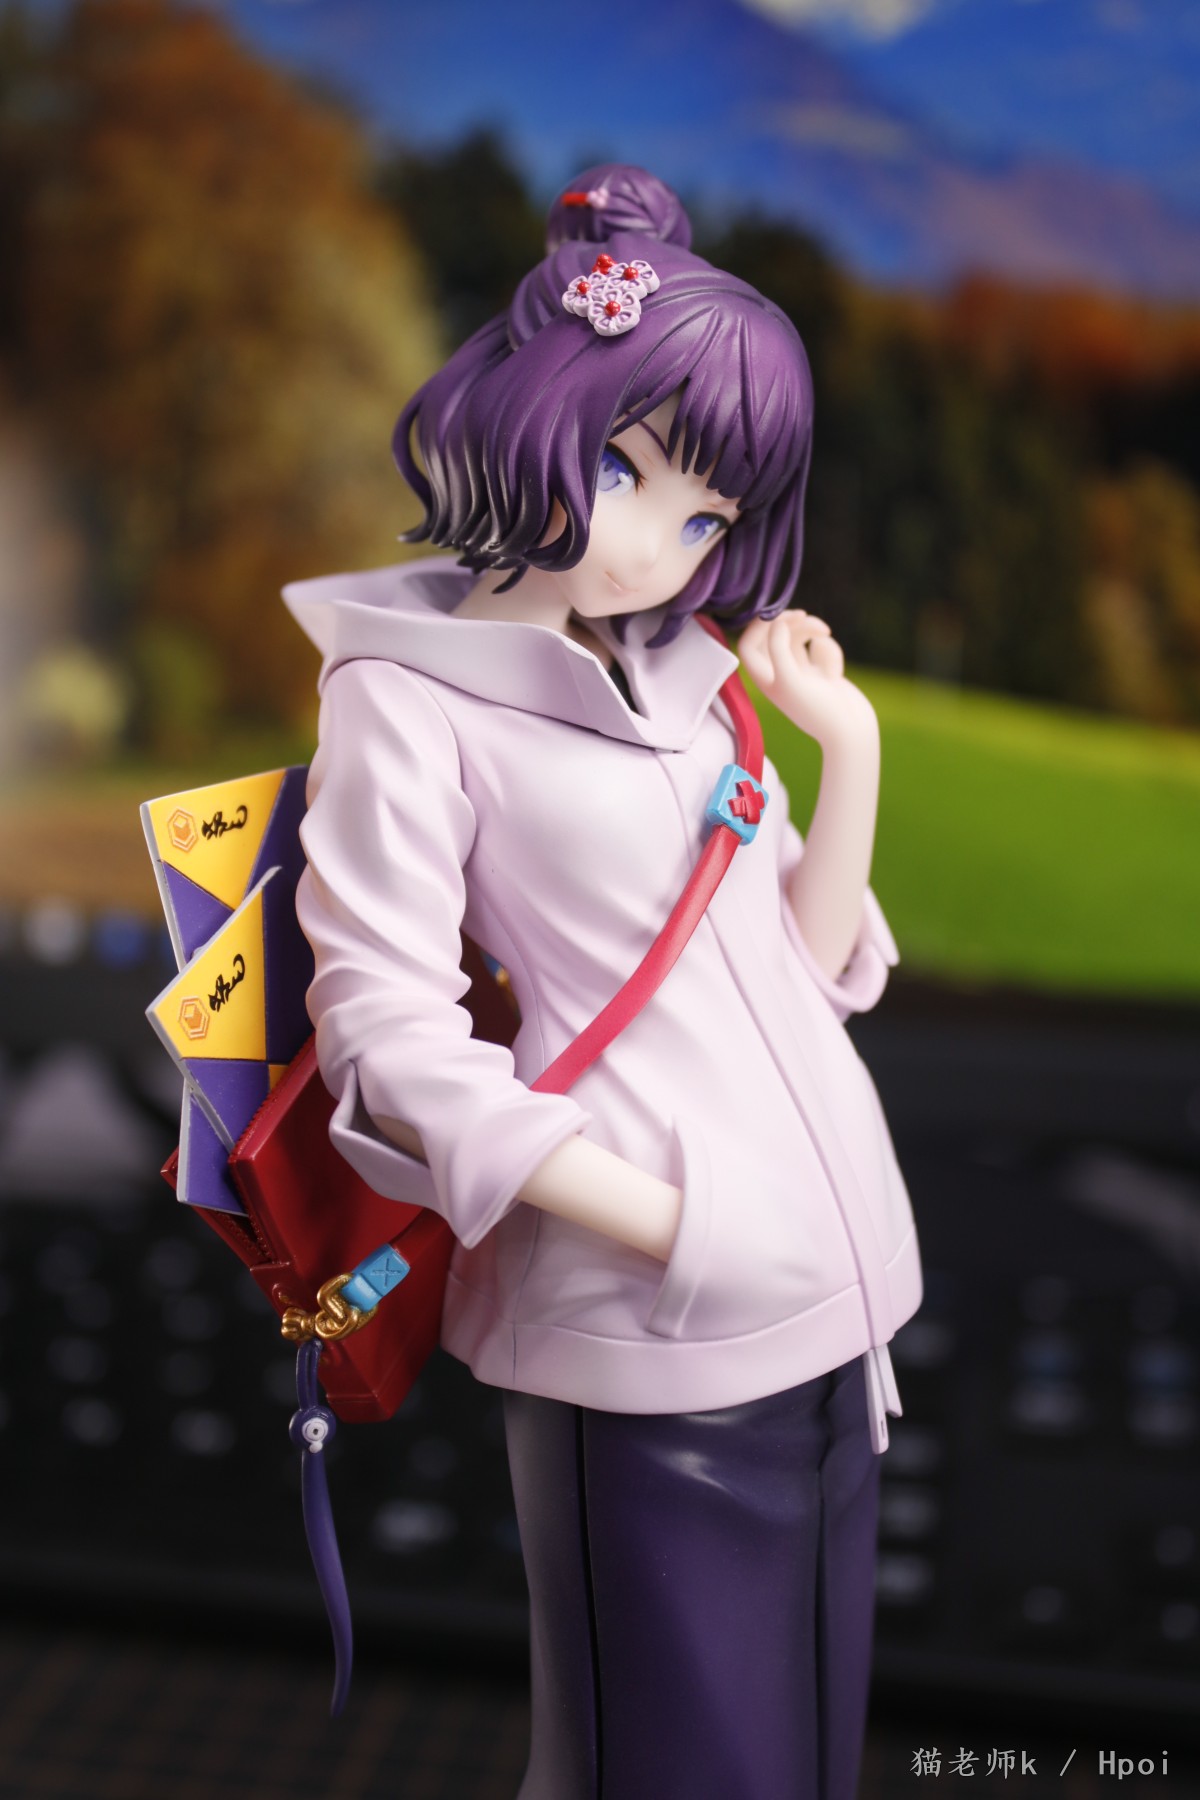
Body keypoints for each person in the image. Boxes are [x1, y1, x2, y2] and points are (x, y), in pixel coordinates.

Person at [285, 163, 922, 1800]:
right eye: (627, 469)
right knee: (664, 1766)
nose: (656, 547)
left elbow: (804, 965)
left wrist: (845, 749)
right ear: (535, 411)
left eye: (705, 517)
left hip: (841, 1312)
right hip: (649, 1329)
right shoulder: (405, 698)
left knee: (802, 1763)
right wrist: (679, 1226)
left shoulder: (690, 680)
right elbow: (384, 1037)